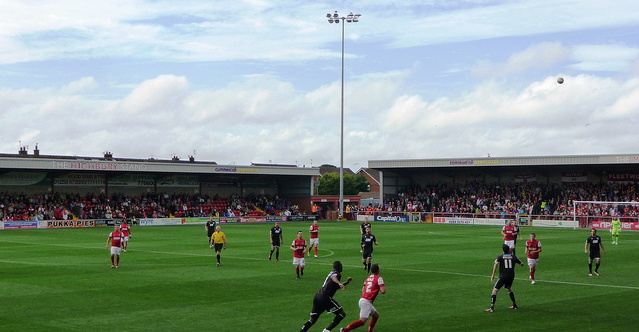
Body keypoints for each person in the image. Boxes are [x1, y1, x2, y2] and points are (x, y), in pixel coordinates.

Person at [299, 261, 353, 332]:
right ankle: (327, 329)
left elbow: (335, 286)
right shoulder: (337, 274)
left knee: (313, 319)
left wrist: (346, 283)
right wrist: (340, 283)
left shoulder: (332, 272)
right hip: (325, 297)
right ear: (339, 267)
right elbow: (334, 278)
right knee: (342, 314)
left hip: (318, 296)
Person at [341, 263, 386, 332]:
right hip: (366, 302)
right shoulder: (379, 278)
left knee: (376, 315)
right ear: (378, 270)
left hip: (363, 299)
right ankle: (345, 329)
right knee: (362, 321)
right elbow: (383, 291)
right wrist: (379, 288)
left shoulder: (368, 278)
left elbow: (363, 289)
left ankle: (370, 331)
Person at [486, 244, 524, 312]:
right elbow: (522, 264)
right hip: (511, 276)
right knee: (508, 288)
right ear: (509, 250)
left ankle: (492, 308)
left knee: (494, 291)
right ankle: (515, 305)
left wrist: (493, 274)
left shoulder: (500, 257)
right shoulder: (513, 256)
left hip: (503, 276)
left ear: (503, 250)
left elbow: (496, 264)